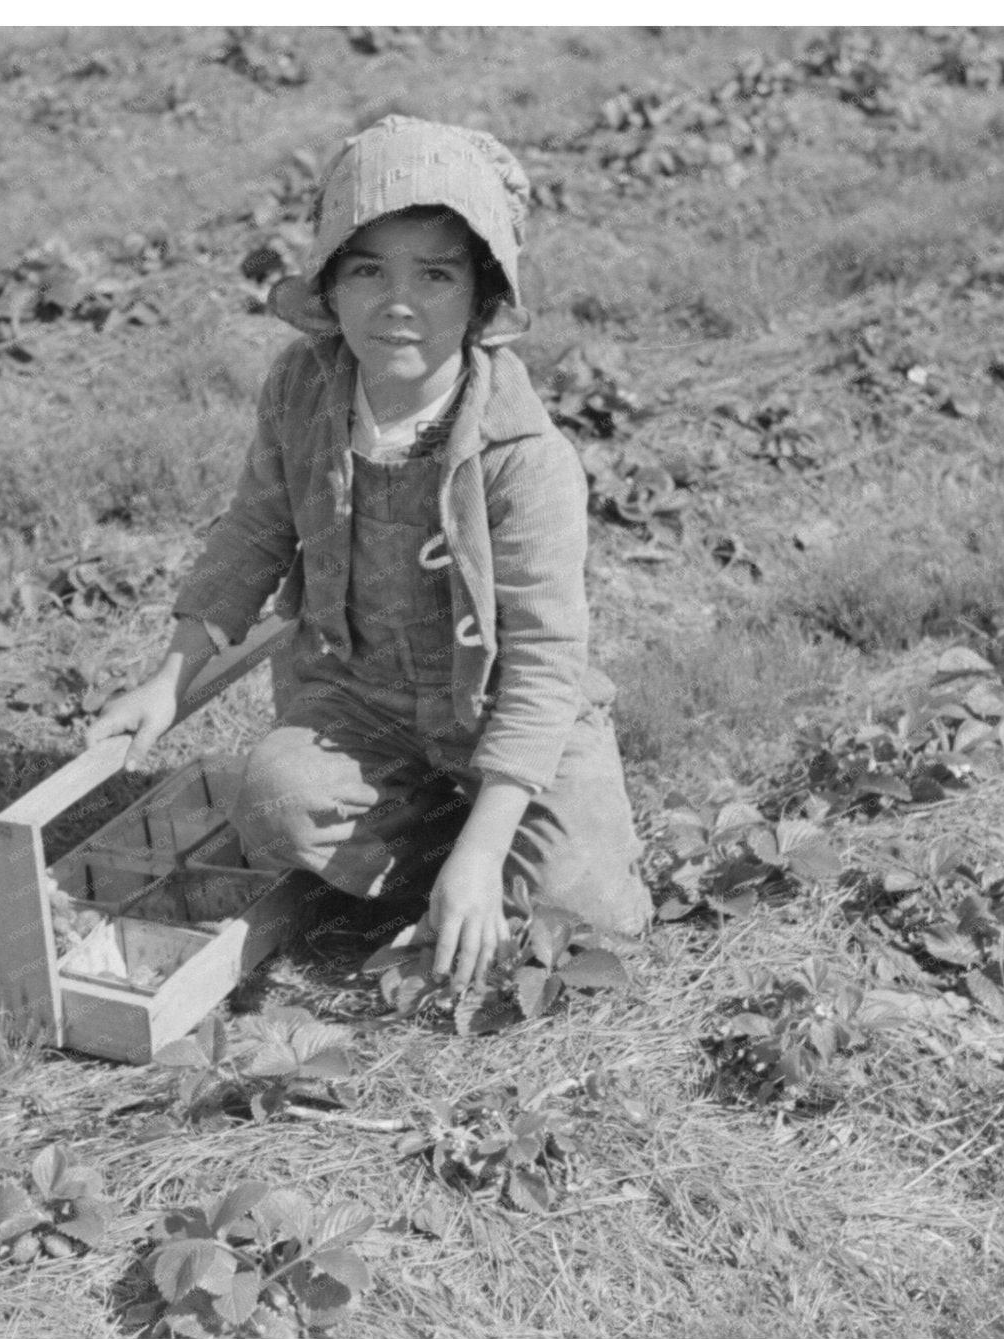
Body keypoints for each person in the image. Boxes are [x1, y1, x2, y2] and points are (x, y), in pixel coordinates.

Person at [85, 115, 652, 990]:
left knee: (589, 919)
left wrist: (488, 846)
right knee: (277, 801)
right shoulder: (304, 389)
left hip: (501, 714)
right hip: (362, 698)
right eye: (367, 270)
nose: (399, 302)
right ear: (330, 283)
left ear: (480, 297)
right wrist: (170, 676)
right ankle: (437, 854)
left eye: (436, 274)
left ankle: (482, 843)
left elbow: (543, 664)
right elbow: (255, 530)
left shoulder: (525, 459)